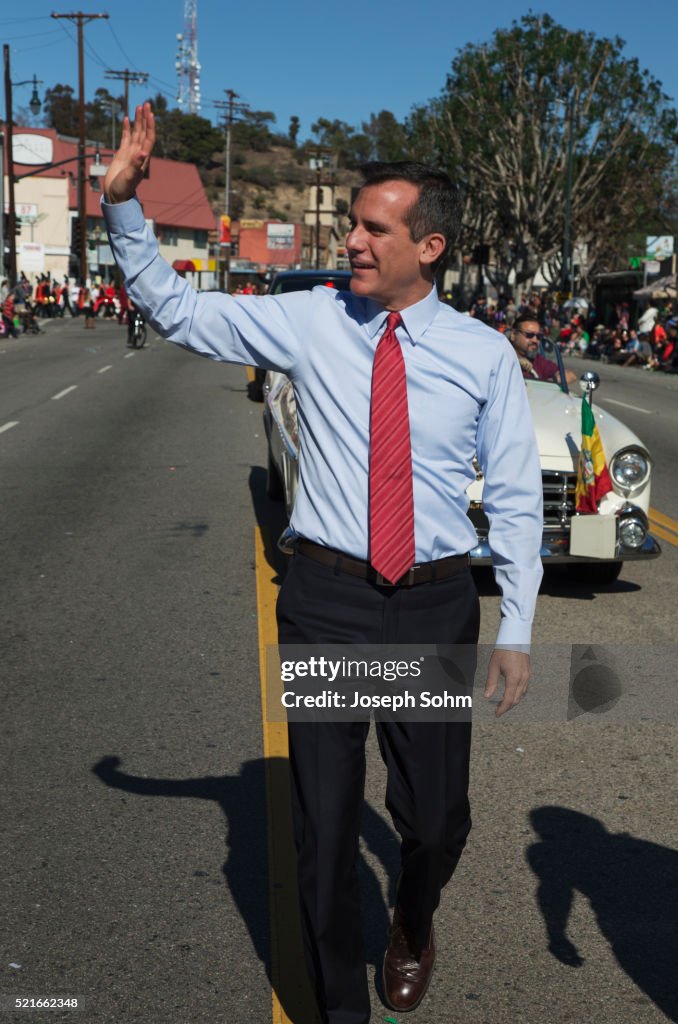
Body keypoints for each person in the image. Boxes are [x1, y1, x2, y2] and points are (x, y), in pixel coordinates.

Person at [102, 104, 544, 1024]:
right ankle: (340, 1008)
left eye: (372, 228)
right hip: (328, 601)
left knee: (433, 823)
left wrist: (520, 627)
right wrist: (124, 207)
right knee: (325, 832)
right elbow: (179, 309)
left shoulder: (482, 355)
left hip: (429, 610)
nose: (350, 240)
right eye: (352, 221)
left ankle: (412, 921)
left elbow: (511, 496)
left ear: (429, 247)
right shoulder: (310, 321)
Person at [510, 315, 577, 385]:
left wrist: (552, 380)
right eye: (529, 335)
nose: (535, 340)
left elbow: (571, 376)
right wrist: (518, 360)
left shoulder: (538, 361)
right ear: (513, 335)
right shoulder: (502, 356)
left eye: (539, 336)